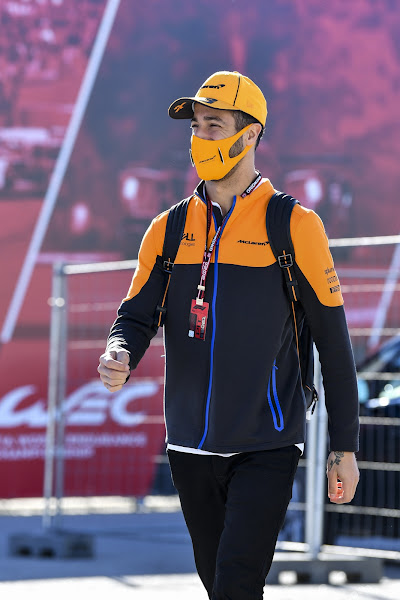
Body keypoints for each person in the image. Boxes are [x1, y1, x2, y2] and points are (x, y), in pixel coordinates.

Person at [98, 70, 360, 600]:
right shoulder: (167, 227)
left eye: (213, 125)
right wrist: (119, 350)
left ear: (251, 134)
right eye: (195, 126)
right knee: (218, 584)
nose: (200, 138)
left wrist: (345, 448)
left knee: (237, 584)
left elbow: (334, 343)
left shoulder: (295, 225)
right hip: (188, 444)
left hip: (267, 442)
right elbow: (136, 315)